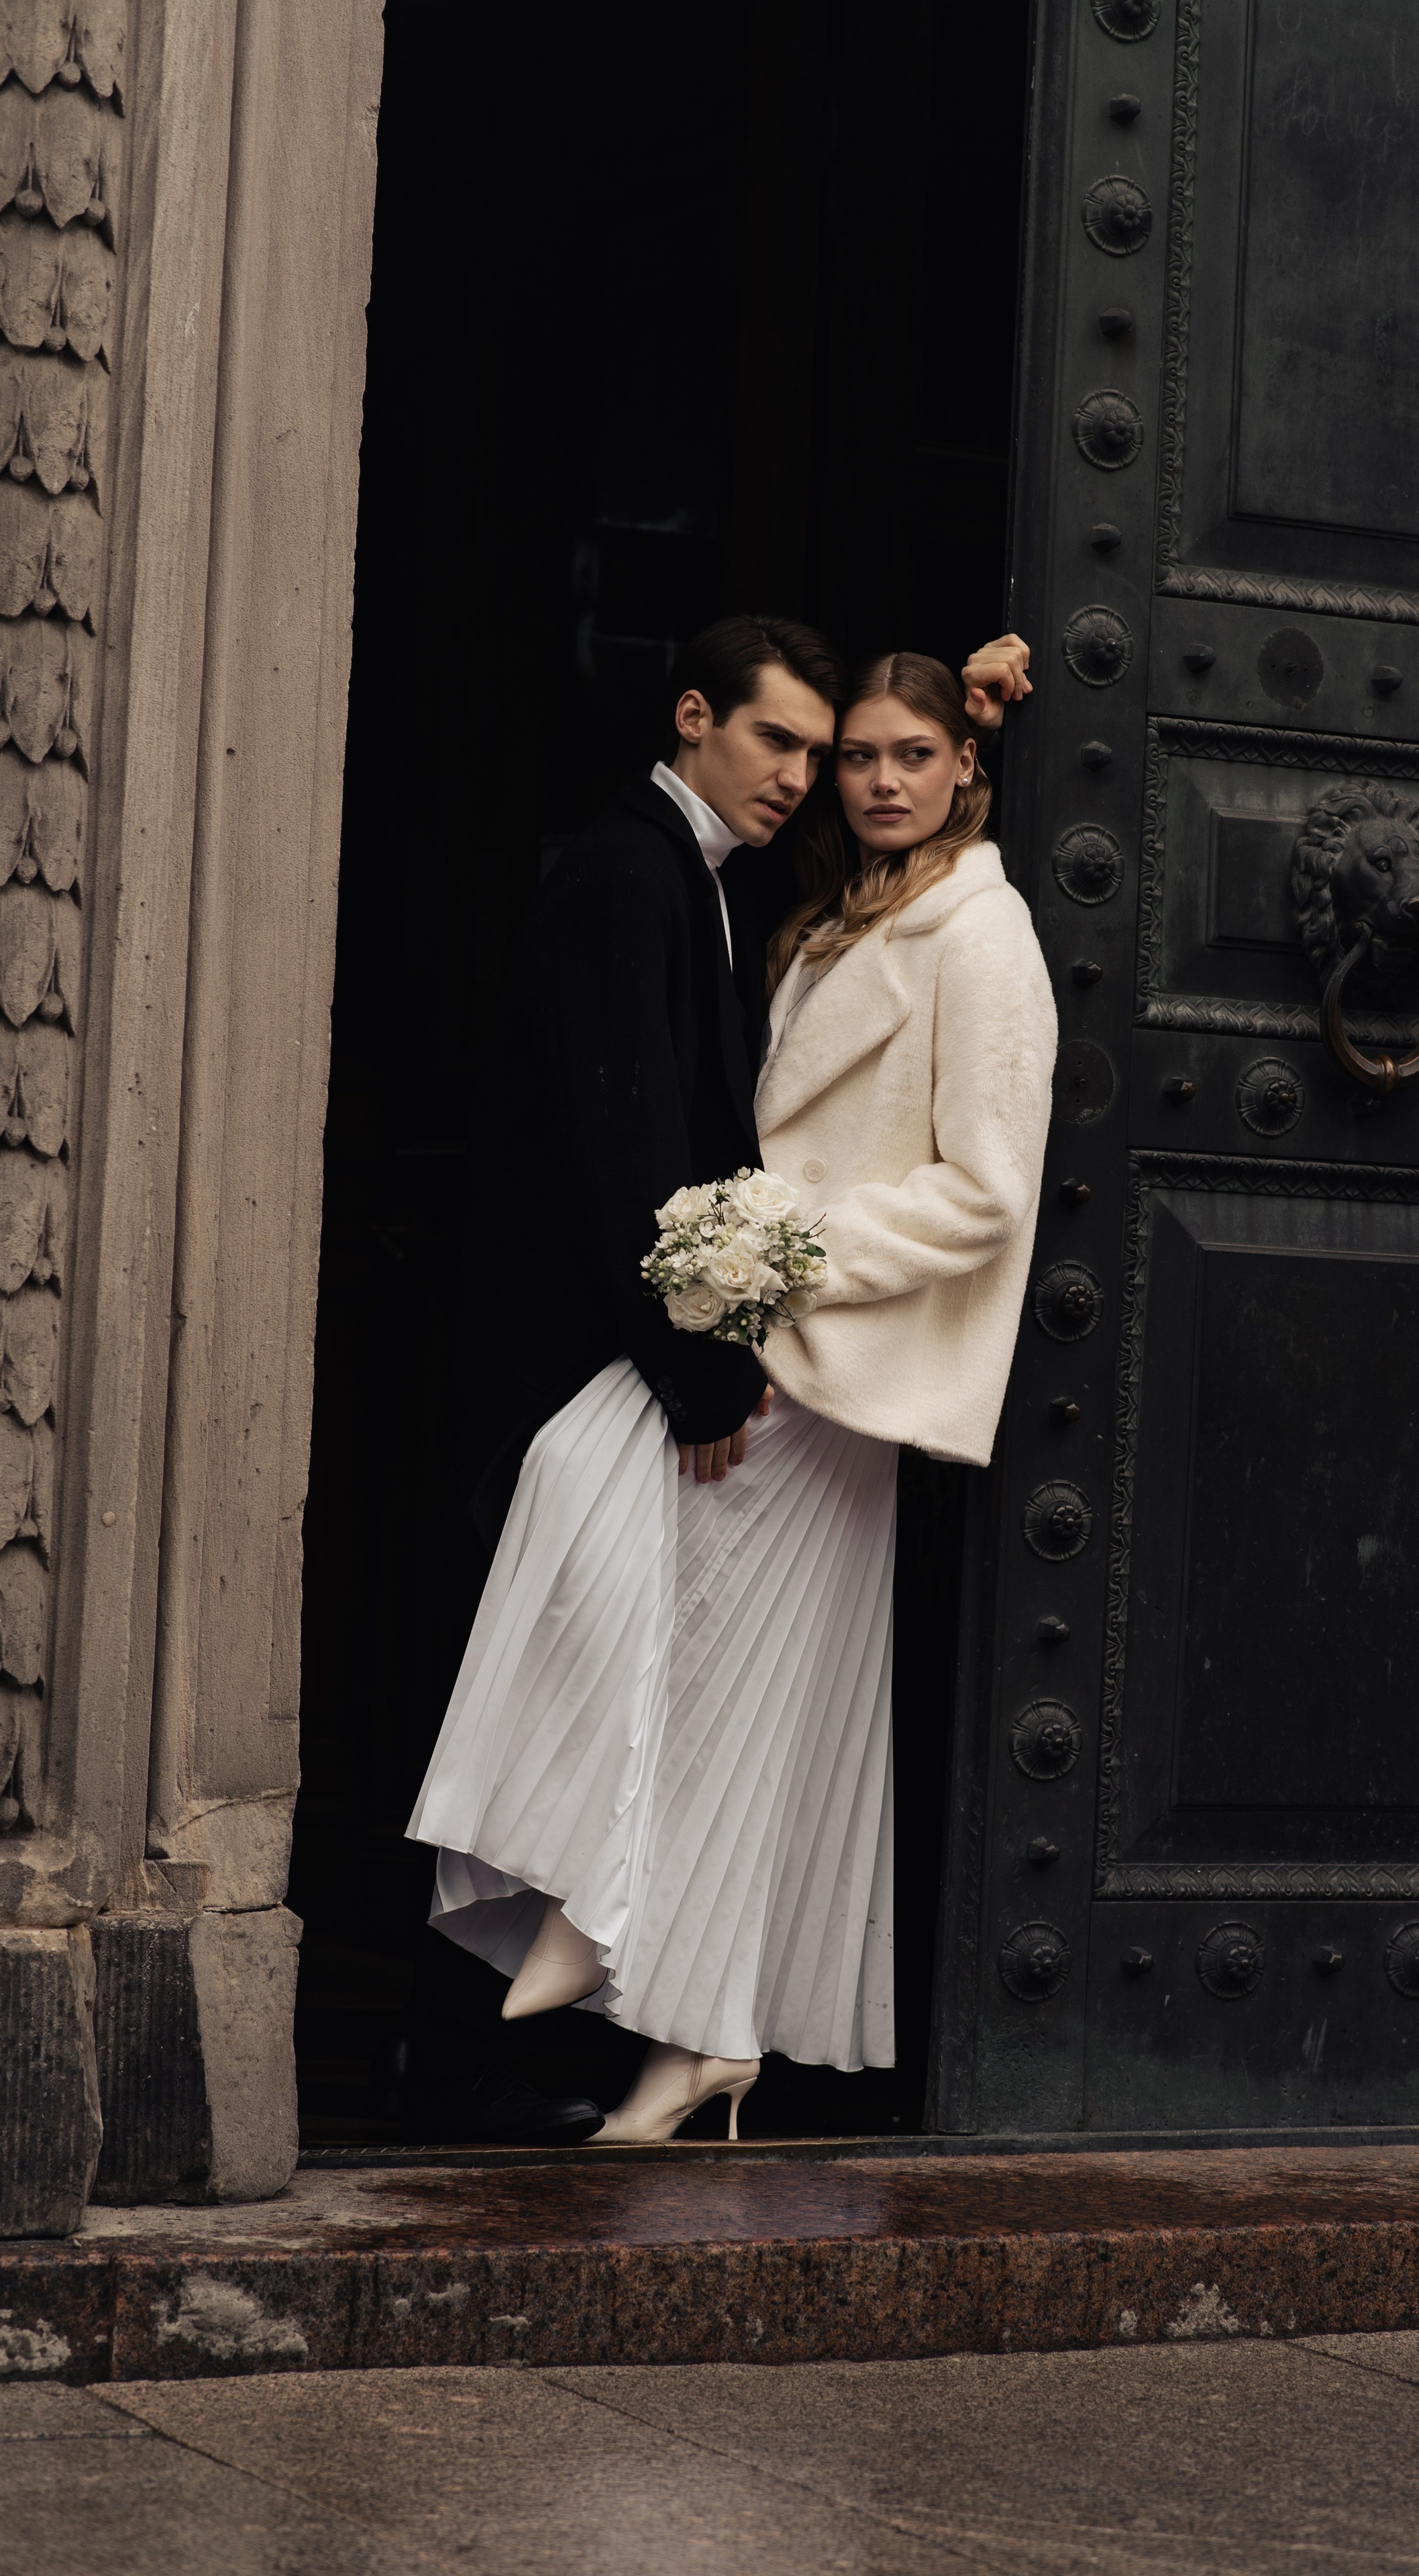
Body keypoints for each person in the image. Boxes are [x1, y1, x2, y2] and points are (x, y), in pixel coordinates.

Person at [406, 625, 1049, 2141]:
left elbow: (987, 1194)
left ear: (967, 767)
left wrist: (776, 1250)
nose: (874, 780)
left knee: (738, 1694)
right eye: (852, 757)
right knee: (674, 1651)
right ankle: (635, 1960)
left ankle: (683, 2011)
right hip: (765, 1347)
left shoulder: (981, 932)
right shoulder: (824, 916)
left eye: (910, 755)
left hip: (836, 1366)